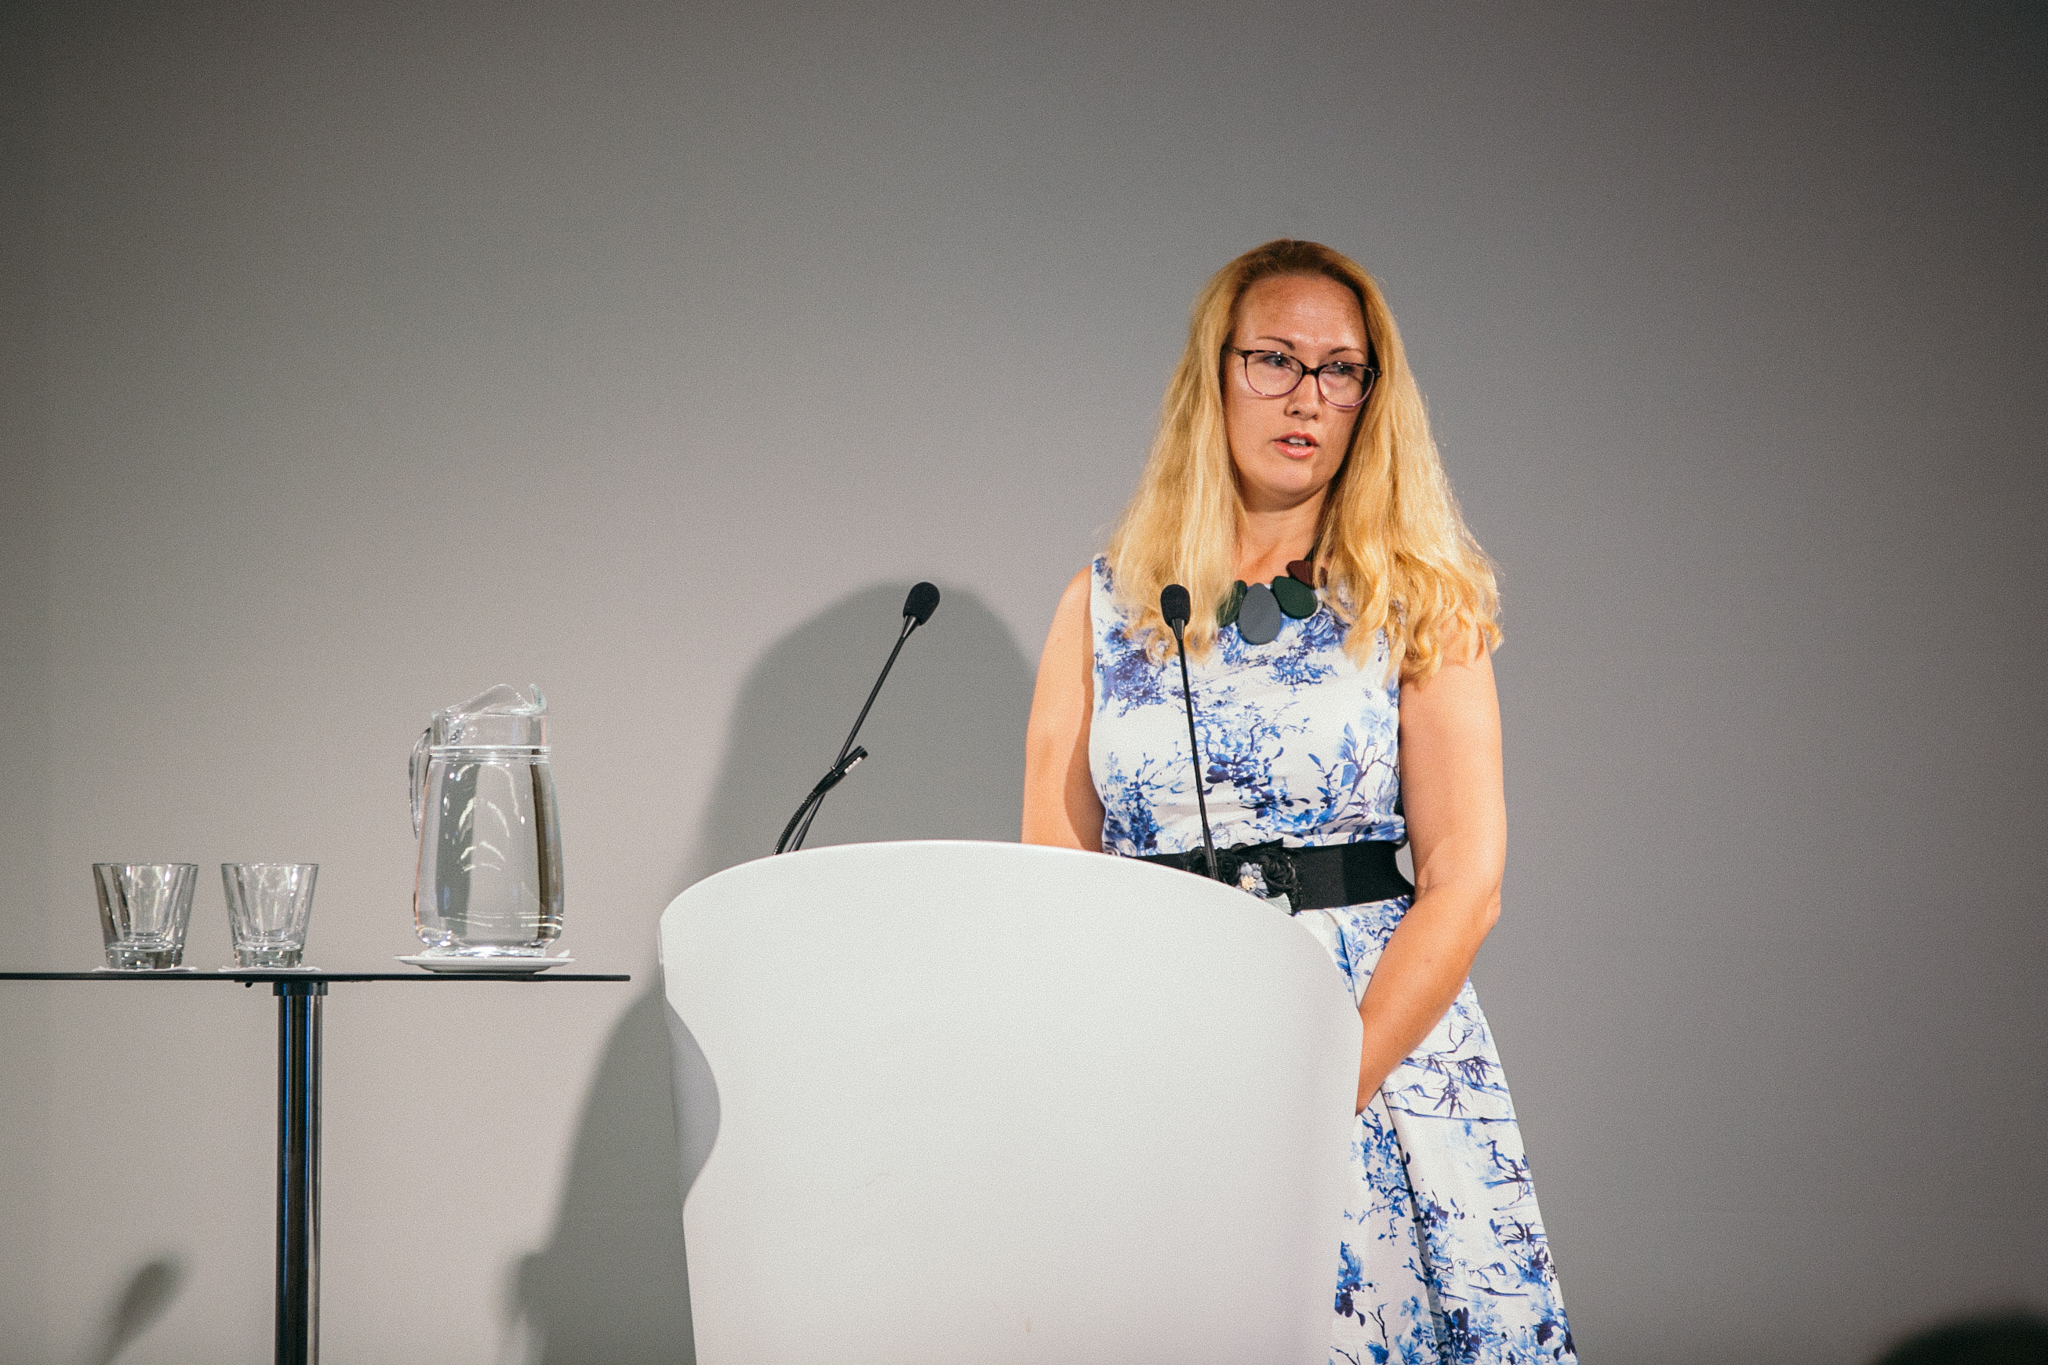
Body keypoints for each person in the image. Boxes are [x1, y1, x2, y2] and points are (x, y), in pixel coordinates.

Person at [1022, 239, 1574, 1364]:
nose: (1307, 396)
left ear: (1372, 395)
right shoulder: (1102, 604)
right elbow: (1052, 880)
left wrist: (1326, 1090)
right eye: (1274, 360)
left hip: (1366, 1056)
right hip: (1157, 1052)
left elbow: (1465, 883)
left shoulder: (1419, 602)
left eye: (1340, 370)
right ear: (1214, 375)